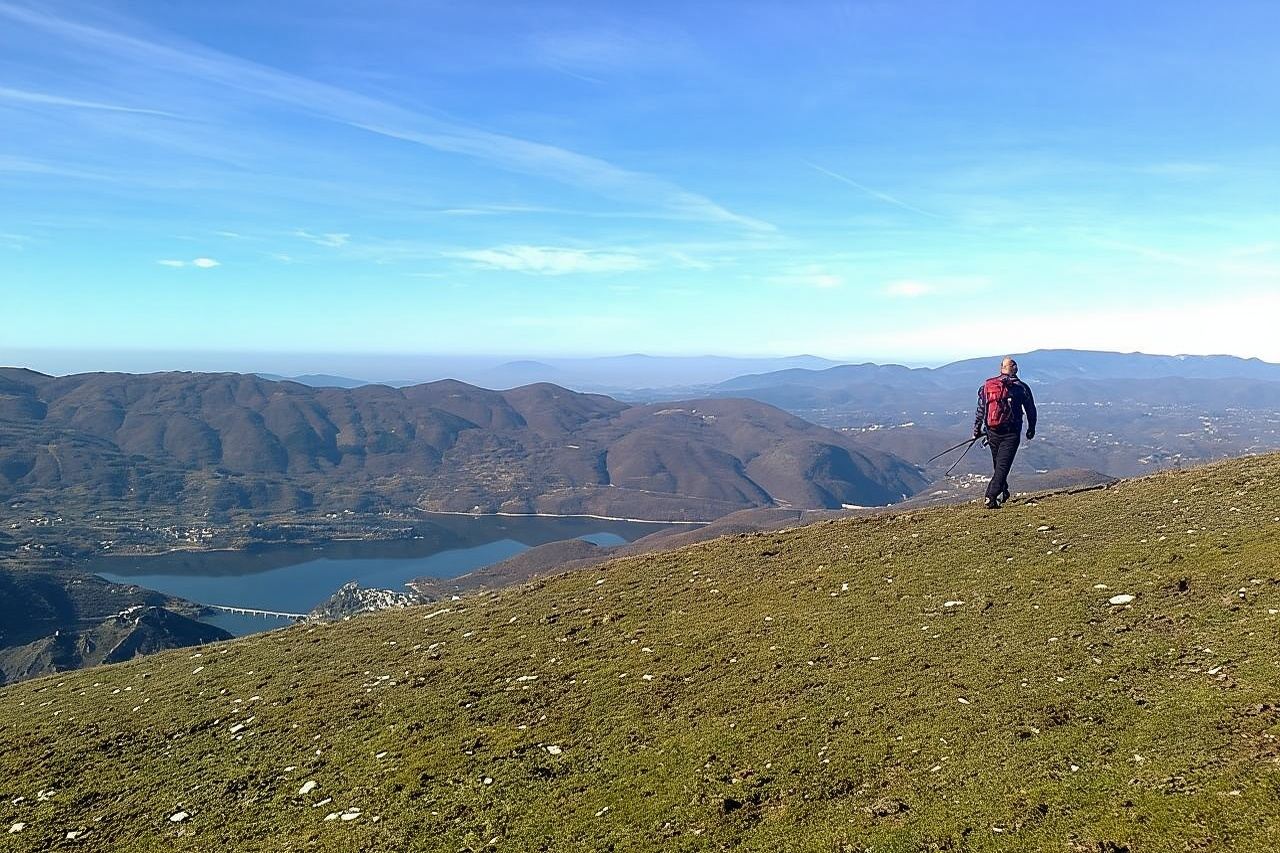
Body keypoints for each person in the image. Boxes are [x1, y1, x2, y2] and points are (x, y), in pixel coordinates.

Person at [974, 356, 1037, 509]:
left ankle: (1003, 491)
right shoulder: (1021, 387)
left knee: (999, 464)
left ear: (1001, 368)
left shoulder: (987, 386)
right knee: (1003, 466)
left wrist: (976, 429)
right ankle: (991, 496)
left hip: (992, 431)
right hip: (1011, 431)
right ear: (1015, 369)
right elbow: (1030, 409)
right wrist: (1031, 428)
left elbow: (981, 409)